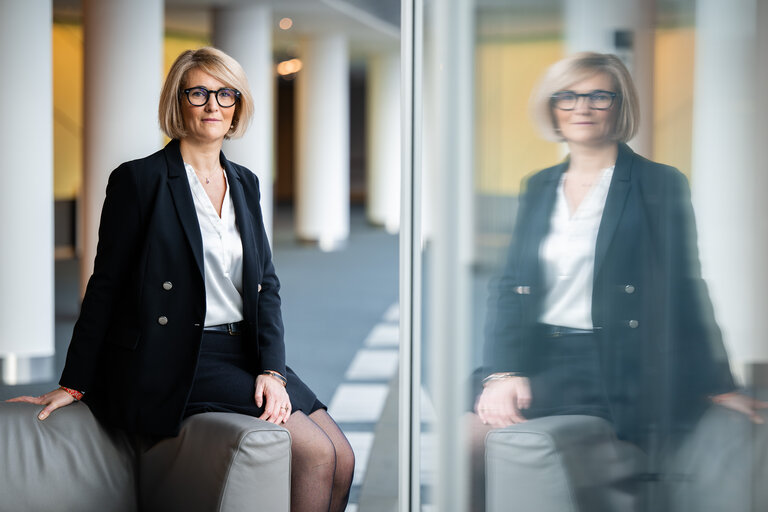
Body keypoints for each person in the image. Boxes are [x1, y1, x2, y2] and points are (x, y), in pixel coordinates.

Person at [9, 47, 353, 512]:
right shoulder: (140, 180)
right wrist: (74, 383)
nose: (213, 105)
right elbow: (105, 285)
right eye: (199, 92)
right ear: (178, 101)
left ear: (238, 105)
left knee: (343, 457)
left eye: (225, 93)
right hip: (181, 352)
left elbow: (264, 285)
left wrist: (272, 369)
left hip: (243, 348)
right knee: (313, 455)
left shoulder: (246, 182)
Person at [469, 52, 766, 509]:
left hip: (611, 362)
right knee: (464, 442)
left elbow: (685, 283)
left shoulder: (658, 183)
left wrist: (718, 380)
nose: (581, 108)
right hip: (539, 357)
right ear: (552, 108)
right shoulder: (538, 185)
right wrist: (502, 372)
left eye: (598, 96)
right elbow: (509, 285)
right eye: (567, 96)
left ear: (619, 105)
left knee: (495, 444)